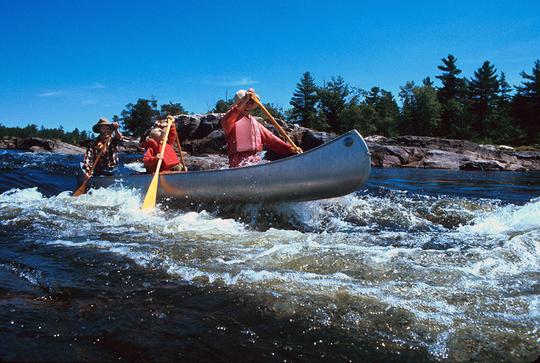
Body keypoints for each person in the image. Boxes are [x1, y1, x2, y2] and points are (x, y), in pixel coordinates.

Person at [221, 88, 302, 167]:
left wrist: (290, 149)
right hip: (238, 162)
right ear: (238, 104)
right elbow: (226, 119)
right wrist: (245, 99)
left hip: (255, 160)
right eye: (245, 102)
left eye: (250, 103)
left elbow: (272, 140)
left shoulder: (255, 123)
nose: (248, 106)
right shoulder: (230, 120)